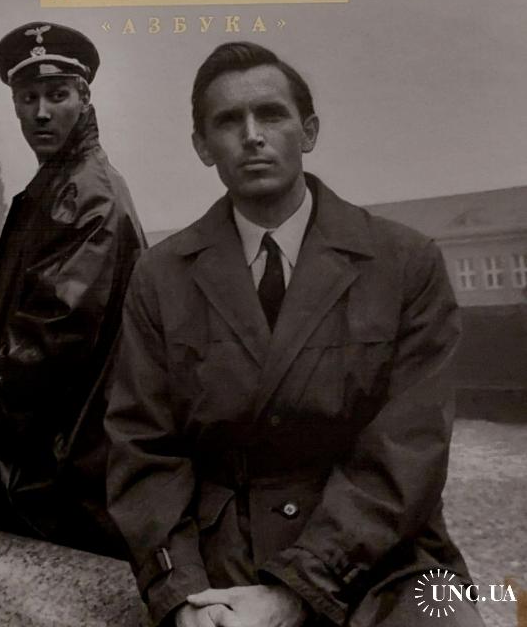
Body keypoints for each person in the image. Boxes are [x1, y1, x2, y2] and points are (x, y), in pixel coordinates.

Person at [106, 41, 478, 627]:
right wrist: (181, 596)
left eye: (271, 115)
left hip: (384, 561)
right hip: (223, 558)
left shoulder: (405, 263)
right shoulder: (161, 276)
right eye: (228, 121)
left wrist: (297, 591)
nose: (252, 135)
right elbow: (143, 449)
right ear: (202, 146)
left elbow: (407, 454)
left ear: (309, 132)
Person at [0, 21, 145, 557]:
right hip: (61, 457)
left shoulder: (83, 192)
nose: (41, 112)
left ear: (84, 98)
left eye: (57, 95)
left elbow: (48, 343)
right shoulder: (63, 184)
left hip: (59, 471)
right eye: (29, 98)